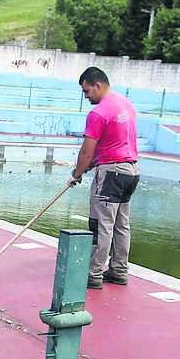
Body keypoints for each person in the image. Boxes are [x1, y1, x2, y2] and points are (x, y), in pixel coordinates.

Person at [67, 67, 140, 289]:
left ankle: (94, 273)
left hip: (110, 174)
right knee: (121, 224)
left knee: (101, 225)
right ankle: (119, 270)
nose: (86, 96)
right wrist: (86, 168)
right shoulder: (126, 104)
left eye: (87, 91)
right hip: (131, 171)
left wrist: (77, 174)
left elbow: (87, 151)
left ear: (97, 85)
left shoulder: (98, 113)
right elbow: (110, 146)